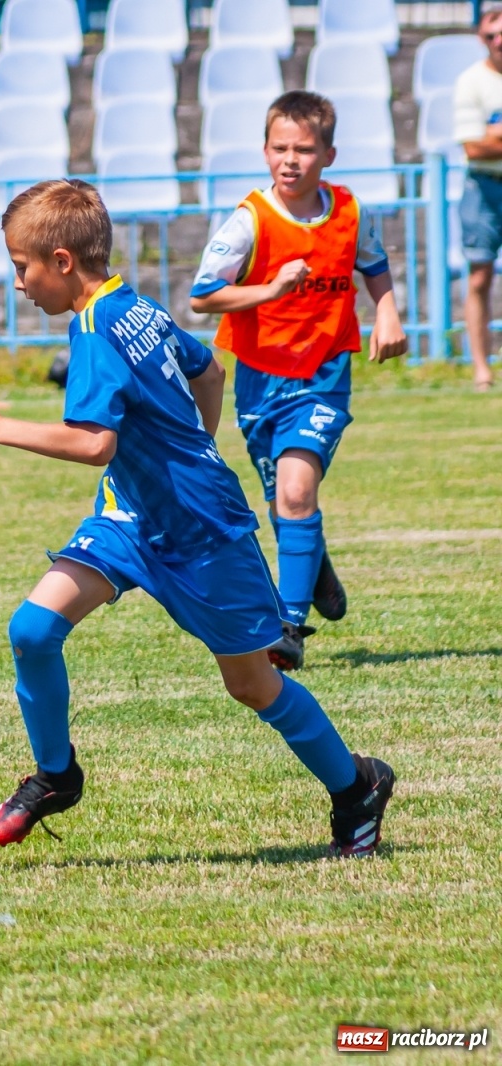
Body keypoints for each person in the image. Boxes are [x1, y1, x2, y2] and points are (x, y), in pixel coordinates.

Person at [0, 179, 395, 858]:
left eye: (22, 267)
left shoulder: (99, 331)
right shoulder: (135, 307)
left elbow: (95, 442)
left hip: (200, 531)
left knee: (253, 684)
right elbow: (209, 372)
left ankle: (356, 786)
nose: (18, 283)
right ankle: (55, 775)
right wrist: (188, 450)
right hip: (130, 517)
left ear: (63, 262)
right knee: (34, 628)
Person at [189, 91, 408, 671]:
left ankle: (288, 630)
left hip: (323, 375)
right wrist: (269, 291)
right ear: (265, 151)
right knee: (284, 502)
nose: (291, 160)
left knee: (294, 492)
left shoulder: (350, 212)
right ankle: (316, 566)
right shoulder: (249, 221)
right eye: (280, 148)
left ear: (328, 154)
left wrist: (387, 311)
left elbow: (373, 263)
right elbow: (204, 295)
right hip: (260, 383)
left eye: (305, 149)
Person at [454, 0, 502, 391]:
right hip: (482, 187)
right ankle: (481, 369)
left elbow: (485, 141)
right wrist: (489, 141)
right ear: (480, 37)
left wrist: (495, 136)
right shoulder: (471, 81)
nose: (500, 40)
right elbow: (472, 149)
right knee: (479, 277)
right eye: (492, 33)